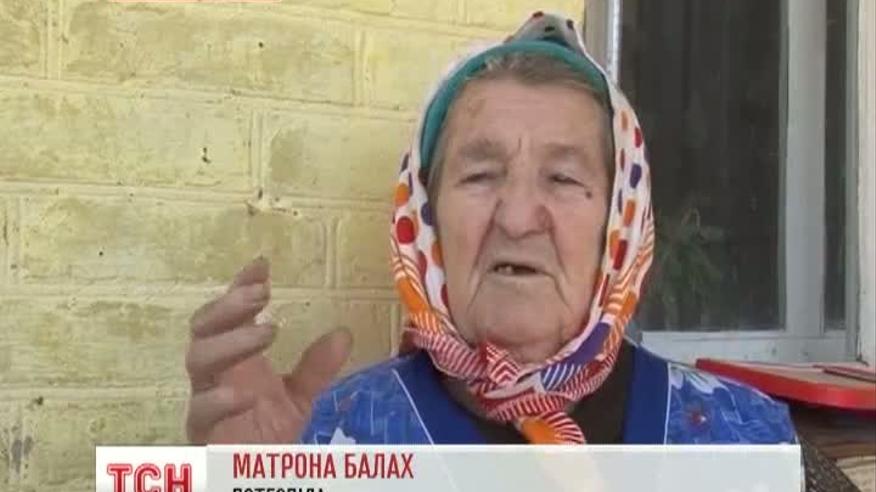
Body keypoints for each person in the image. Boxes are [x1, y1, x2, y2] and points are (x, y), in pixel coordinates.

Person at [183, 12, 797, 447]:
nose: (517, 217)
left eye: (563, 178)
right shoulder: (343, 437)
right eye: (479, 176)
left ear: (620, 227)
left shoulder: (746, 440)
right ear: (425, 223)